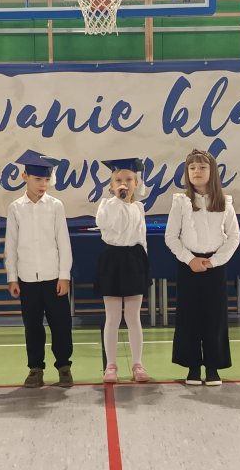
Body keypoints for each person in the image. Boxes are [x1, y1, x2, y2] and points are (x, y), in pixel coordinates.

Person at [164, 149, 240, 386]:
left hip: (214, 266)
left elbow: (233, 237)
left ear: (212, 171)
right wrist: (190, 259)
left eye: (202, 167)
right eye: (192, 168)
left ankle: (213, 367)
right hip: (188, 266)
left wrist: (213, 261)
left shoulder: (224, 202)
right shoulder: (181, 202)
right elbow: (171, 237)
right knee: (189, 316)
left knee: (214, 317)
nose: (197, 171)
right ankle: (193, 367)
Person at [5, 149, 74, 388]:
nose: (43, 184)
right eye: (38, 179)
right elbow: (11, 244)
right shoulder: (15, 207)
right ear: (25, 177)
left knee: (61, 325)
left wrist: (64, 276)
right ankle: (35, 368)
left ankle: (64, 366)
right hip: (27, 279)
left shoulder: (56, 206)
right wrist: (12, 277)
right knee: (32, 326)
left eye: (46, 179)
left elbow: (63, 242)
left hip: (53, 277)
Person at [95, 158, 150, 383]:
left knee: (133, 316)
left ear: (136, 183)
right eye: (118, 180)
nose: (123, 183)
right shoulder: (106, 205)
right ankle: (111, 365)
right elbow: (108, 225)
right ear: (112, 185)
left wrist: (144, 262)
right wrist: (119, 201)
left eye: (128, 179)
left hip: (134, 259)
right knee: (113, 316)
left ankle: (138, 363)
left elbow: (141, 237)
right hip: (113, 259)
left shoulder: (139, 208)